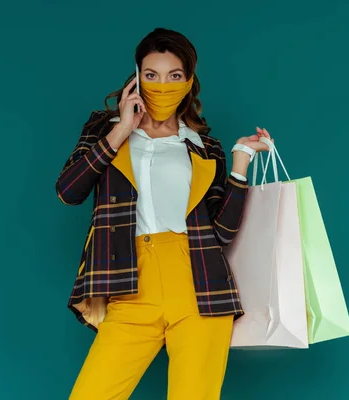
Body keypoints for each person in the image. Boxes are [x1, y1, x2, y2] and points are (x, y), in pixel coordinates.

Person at [55, 27, 273, 400]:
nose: (162, 85)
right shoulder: (104, 129)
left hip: (201, 288)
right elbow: (69, 191)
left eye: (174, 76)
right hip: (131, 287)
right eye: (151, 75)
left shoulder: (205, 147)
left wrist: (240, 164)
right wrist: (123, 128)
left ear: (189, 82)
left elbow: (221, 234)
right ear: (136, 76)